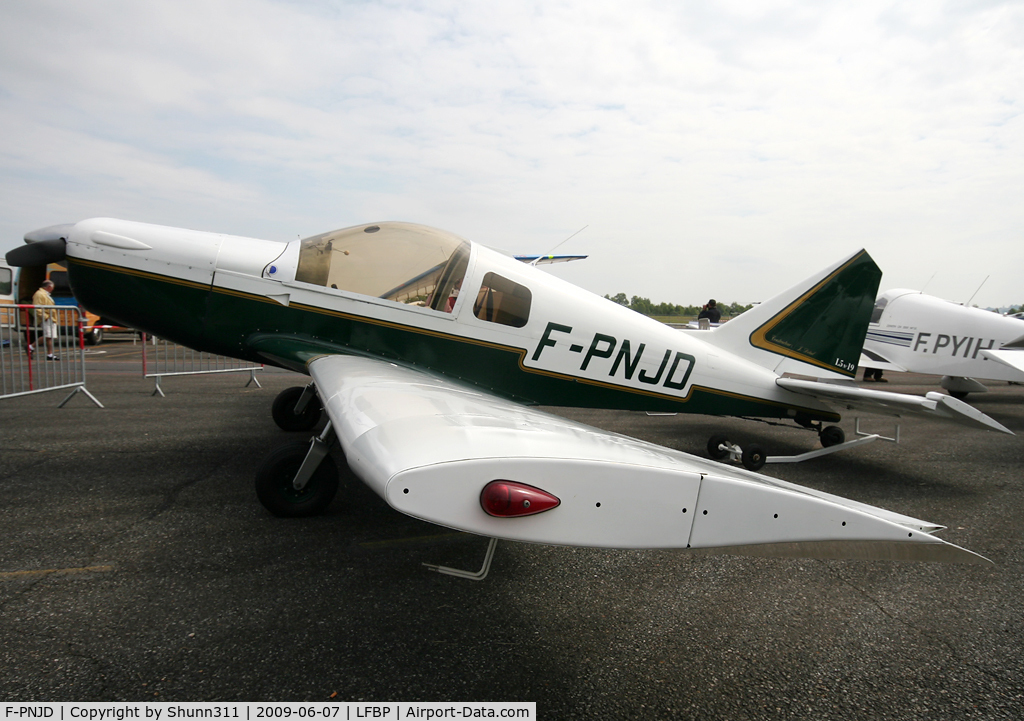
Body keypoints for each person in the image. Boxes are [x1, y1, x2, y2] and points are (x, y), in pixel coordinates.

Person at [32, 280, 60, 360]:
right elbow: (37, 307)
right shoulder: (39, 294)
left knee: (50, 337)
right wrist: (46, 317)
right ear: (49, 287)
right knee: (48, 335)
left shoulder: (45, 294)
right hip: (47, 318)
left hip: (50, 318)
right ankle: (31, 346)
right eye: (52, 288)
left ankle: (50, 354)